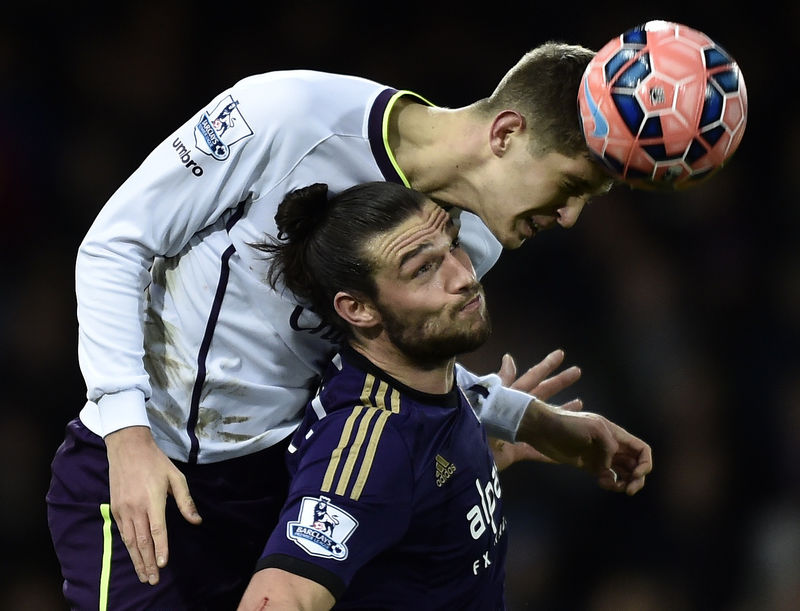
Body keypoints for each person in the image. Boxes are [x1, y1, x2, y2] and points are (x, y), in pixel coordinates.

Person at [47, 42, 618, 609]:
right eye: (569, 186)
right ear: (506, 134)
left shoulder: (469, 242)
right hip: (149, 465)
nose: (569, 217)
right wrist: (126, 434)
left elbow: (380, 372)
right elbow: (115, 246)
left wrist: (514, 415)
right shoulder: (287, 116)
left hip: (288, 482)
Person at [236, 181, 650, 610]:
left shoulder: (430, 388)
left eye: (453, 245)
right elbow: (280, 597)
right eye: (422, 269)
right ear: (358, 309)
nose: (463, 276)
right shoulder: (373, 442)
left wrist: (486, 453)